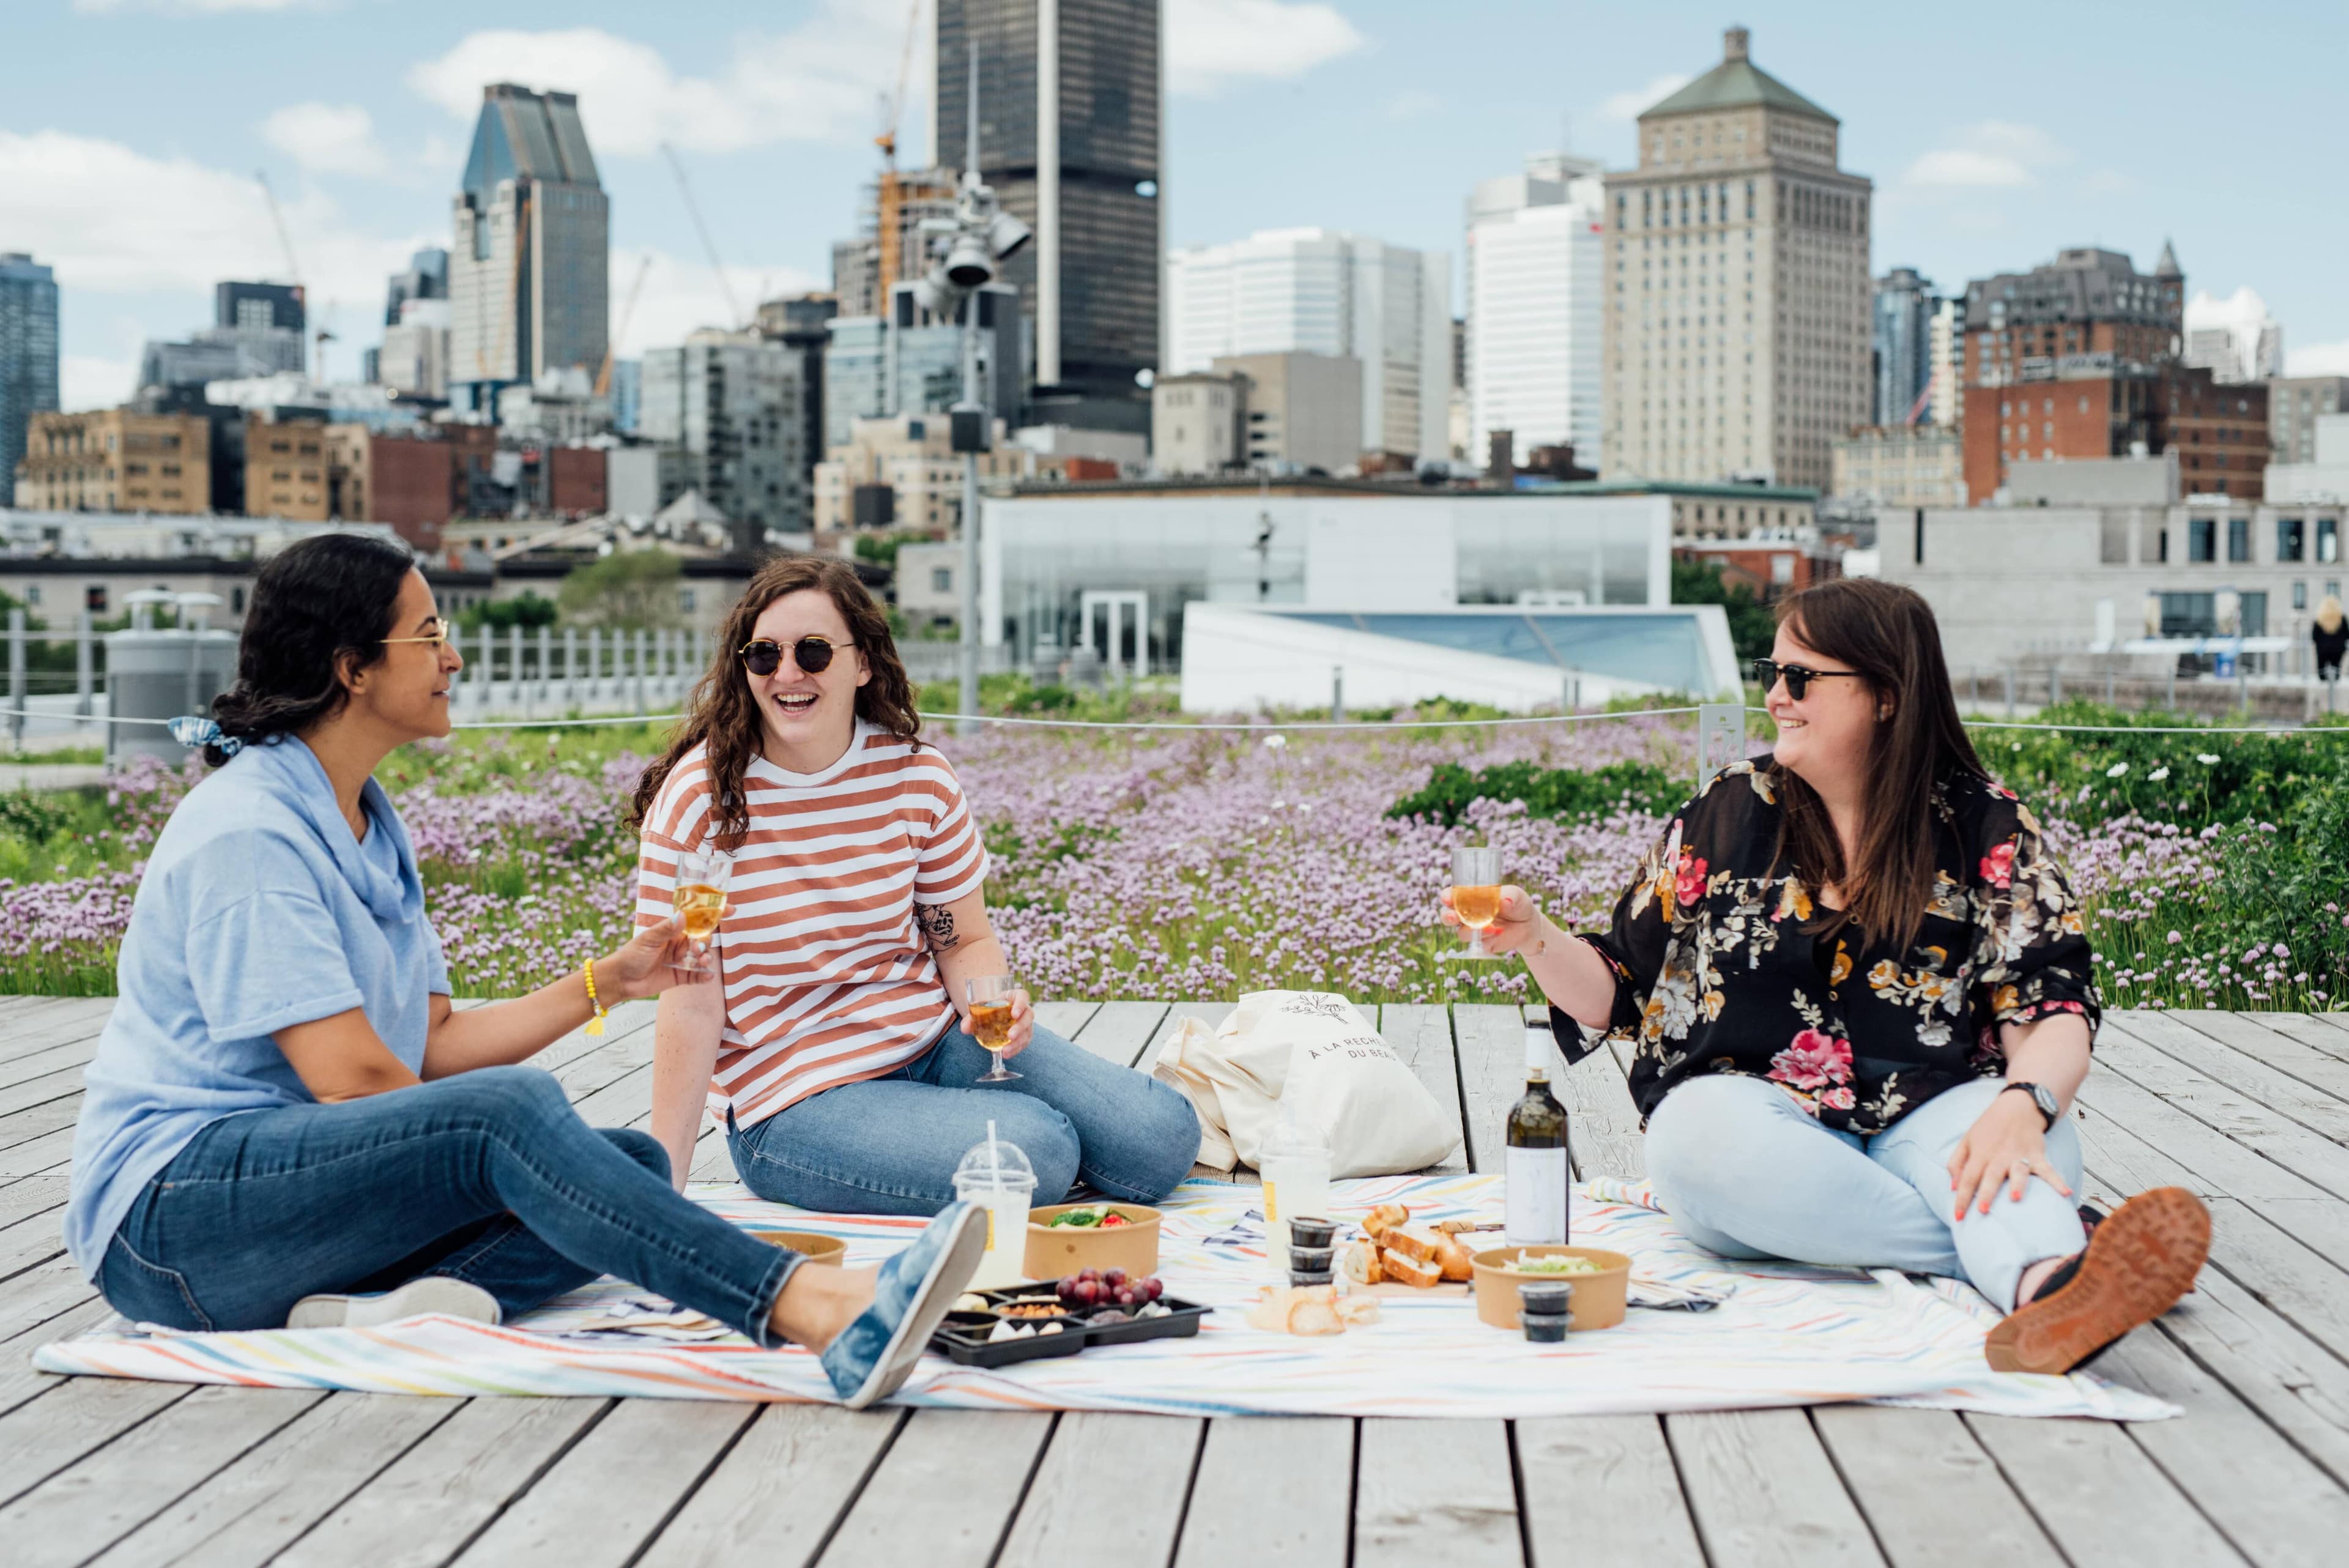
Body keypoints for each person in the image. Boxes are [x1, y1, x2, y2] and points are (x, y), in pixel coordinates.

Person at [62, 535, 984, 1409]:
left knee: (620, 1168)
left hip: (288, 1202)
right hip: (173, 1217)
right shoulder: (251, 832)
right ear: (352, 666)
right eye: (428, 635)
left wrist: (613, 980)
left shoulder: (368, 823)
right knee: (519, 1122)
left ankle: (369, 1313)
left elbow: (432, 1045)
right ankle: (816, 1308)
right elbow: (354, 1082)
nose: (452, 657)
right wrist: (500, 1137)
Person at [1442, 578, 2210, 1375]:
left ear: (1885, 693)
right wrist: (1533, 936)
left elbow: (2051, 1003)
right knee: (1690, 1142)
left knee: (2011, 1141)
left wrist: (2027, 1102)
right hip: (1763, 1130)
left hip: (1941, 1106)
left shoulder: (1986, 823)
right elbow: (1618, 984)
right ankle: (2038, 1252)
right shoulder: (1730, 809)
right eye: (1770, 672)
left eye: (1801, 676)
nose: (1775, 696)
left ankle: (2053, 1294)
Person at [634, 556, 1200, 1214]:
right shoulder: (702, 801)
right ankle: (960, 1146)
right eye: (764, 655)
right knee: (1036, 1153)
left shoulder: (915, 777)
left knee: (1161, 1138)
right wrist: (662, 1186)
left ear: (863, 663)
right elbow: (690, 1001)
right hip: (794, 1100)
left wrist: (995, 1008)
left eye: (813, 652)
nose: (787, 674)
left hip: (932, 1043)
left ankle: (946, 1135)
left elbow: (964, 940)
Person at [2314, 596, 2346, 710]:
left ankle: (2325, 704)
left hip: (2322, 650)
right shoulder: (2342, 619)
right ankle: (2334, 705)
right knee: (2336, 671)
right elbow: (2347, 635)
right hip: (2338, 649)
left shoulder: (2319, 619)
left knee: (2322, 674)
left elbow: (2314, 637)